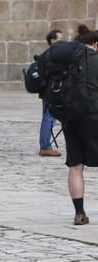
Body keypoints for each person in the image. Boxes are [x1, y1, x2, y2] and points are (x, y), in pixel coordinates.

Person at [61, 31, 98, 225]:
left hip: (70, 120)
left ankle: (79, 212)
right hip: (94, 118)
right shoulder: (96, 61)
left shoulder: (66, 62)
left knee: (75, 166)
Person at [38, 30, 65, 158]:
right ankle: (45, 147)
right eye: (60, 39)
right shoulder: (52, 55)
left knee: (49, 117)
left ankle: (45, 145)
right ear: (53, 40)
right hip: (51, 91)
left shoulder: (48, 54)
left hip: (48, 91)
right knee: (49, 117)